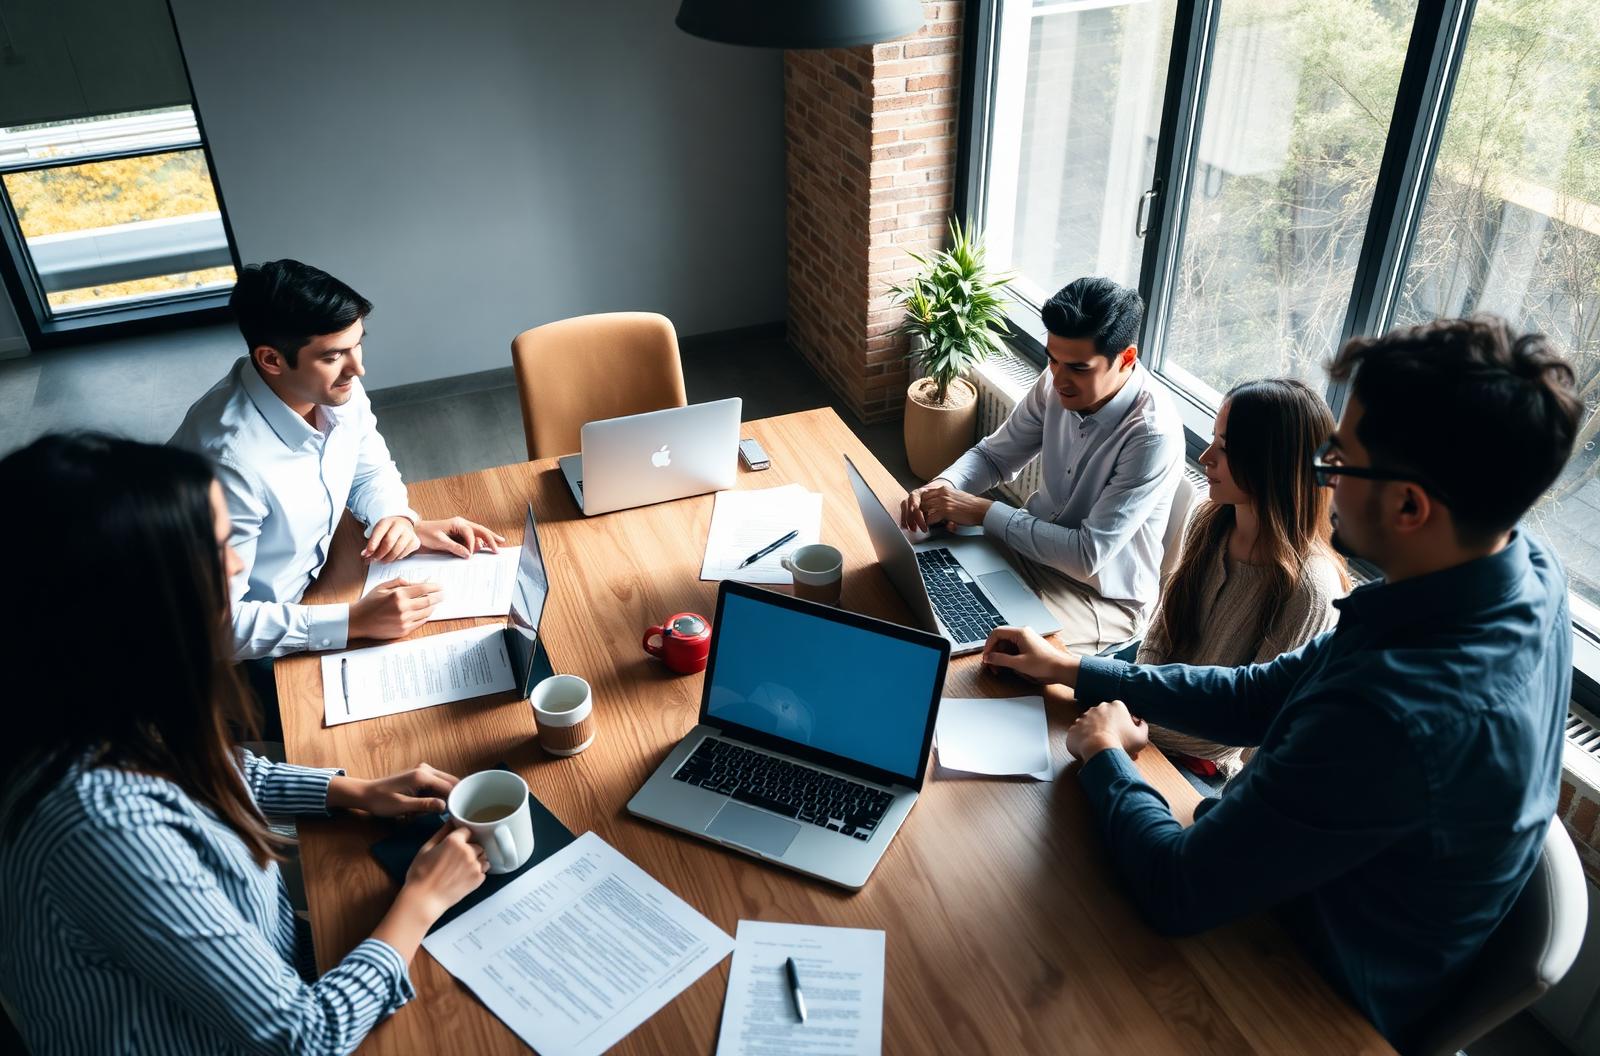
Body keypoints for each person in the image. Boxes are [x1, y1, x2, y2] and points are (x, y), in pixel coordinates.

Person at [981, 315, 1580, 1052]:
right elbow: (1259, 693)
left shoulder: (1392, 715)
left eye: (1341, 458)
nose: (1321, 473)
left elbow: (1178, 887)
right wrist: (1073, 668)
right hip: (1307, 892)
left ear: (1409, 506)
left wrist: (1107, 758)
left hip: (1306, 993)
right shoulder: (1520, 576)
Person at [0, 434, 489, 1055]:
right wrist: (421, 900)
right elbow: (304, 1037)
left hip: (269, 970)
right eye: (218, 547)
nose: (238, 565)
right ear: (131, 603)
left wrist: (351, 790)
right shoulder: (102, 828)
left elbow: (208, 771)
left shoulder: (98, 706)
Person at [171, 259, 503, 660]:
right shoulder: (227, 468)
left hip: (321, 586)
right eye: (333, 356)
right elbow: (217, 630)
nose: (357, 368)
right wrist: (353, 622)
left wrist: (395, 518)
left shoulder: (331, 388)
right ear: (271, 360)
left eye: (358, 343)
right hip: (245, 654)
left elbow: (370, 469)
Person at [900, 276, 1185, 653]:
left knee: (990, 655)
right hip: (1030, 551)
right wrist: (942, 488)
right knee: (915, 585)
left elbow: (1087, 556)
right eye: (1053, 360)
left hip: (1099, 597)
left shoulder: (1151, 434)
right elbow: (993, 455)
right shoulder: (1055, 381)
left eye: (1078, 368)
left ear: (1126, 358)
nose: (1059, 378)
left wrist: (982, 511)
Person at [1139, 378, 1349, 779]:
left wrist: (1136, 713)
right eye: (1214, 439)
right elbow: (1163, 627)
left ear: (1273, 463)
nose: (1205, 456)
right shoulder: (1209, 519)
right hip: (1143, 713)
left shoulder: (1310, 588)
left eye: (1226, 447)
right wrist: (1135, 696)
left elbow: (1236, 729)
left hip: (1196, 764)